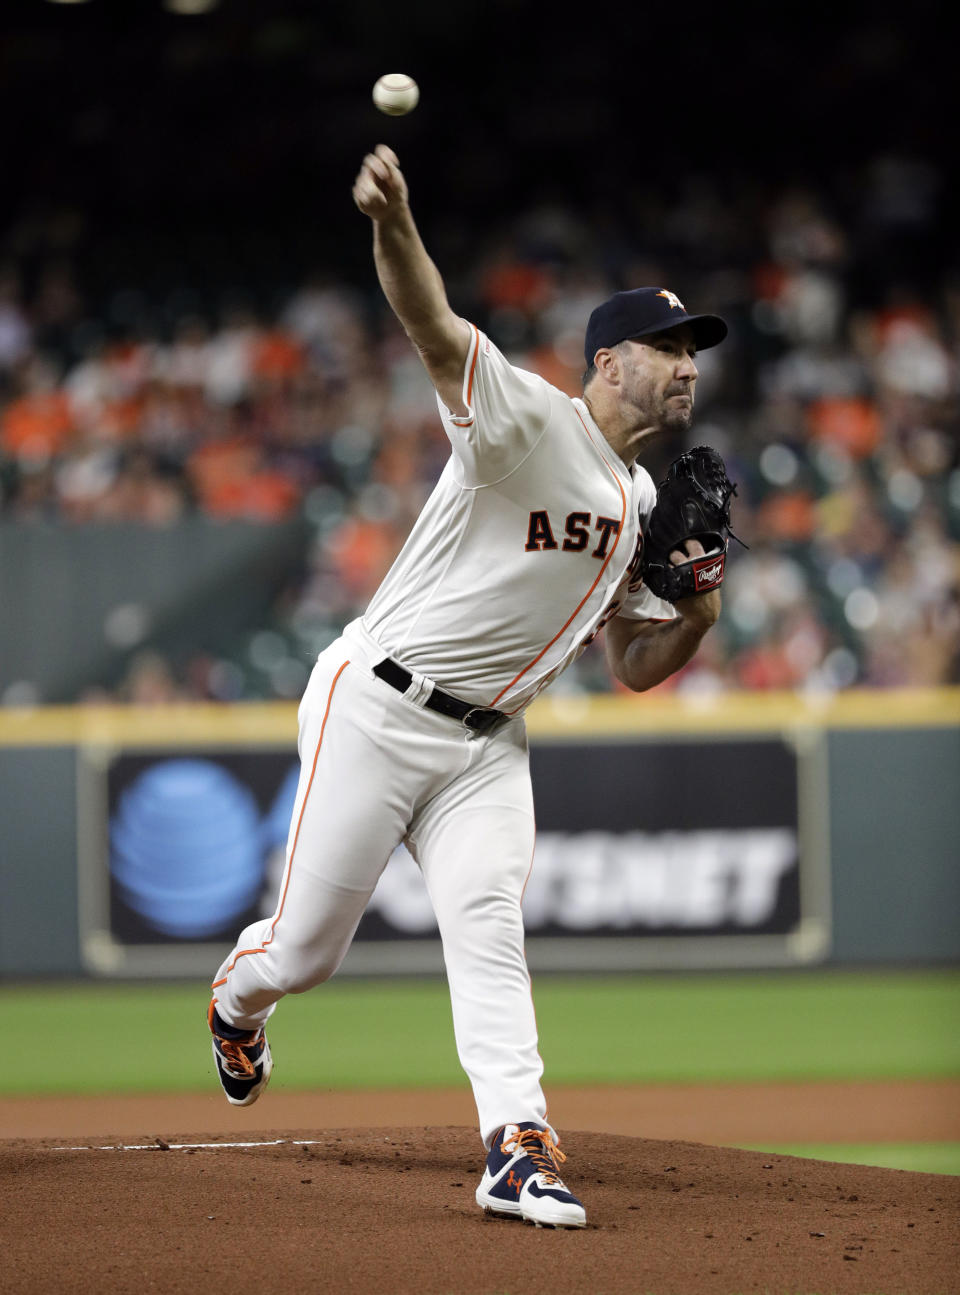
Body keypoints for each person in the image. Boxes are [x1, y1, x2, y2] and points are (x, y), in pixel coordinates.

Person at [207, 145, 729, 1230]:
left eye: (694, 349)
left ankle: (516, 1142)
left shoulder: (639, 502)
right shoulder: (531, 421)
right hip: (379, 703)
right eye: (666, 345)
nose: (687, 364)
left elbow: (634, 666)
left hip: (489, 742)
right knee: (305, 951)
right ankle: (233, 997)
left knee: (489, 921)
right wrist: (393, 221)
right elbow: (434, 328)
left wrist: (699, 611)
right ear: (606, 362)